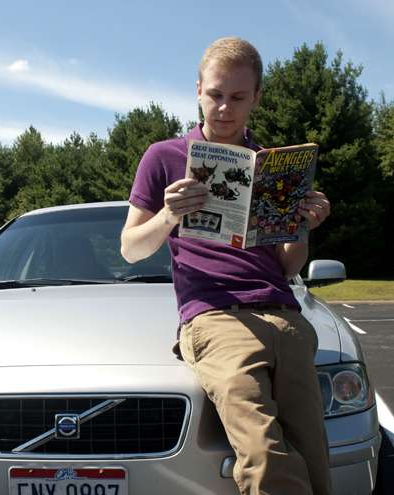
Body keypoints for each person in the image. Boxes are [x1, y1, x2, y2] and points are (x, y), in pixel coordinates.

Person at [121, 37, 332, 495]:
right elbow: (131, 249)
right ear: (198, 89)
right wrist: (168, 214)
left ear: (256, 97)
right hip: (216, 318)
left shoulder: (275, 167)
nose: (224, 108)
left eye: (237, 97)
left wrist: (303, 227)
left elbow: (288, 267)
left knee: (314, 459)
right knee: (264, 453)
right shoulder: (164, 156)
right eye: (216, 94)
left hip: (284, 315)